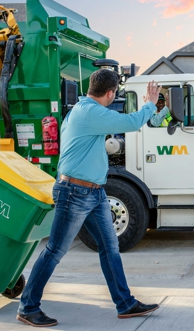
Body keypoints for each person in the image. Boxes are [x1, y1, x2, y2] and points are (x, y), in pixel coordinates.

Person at [17, 69, 161, 327]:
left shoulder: (83, 110)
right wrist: (150, 104)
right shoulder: (90, 112)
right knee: (54, 251)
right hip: (75, 192)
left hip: (93, 193)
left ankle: (125, 304)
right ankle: (28, 307)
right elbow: (130, 123)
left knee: (110, 247)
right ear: (110, 93)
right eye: (114, 93)